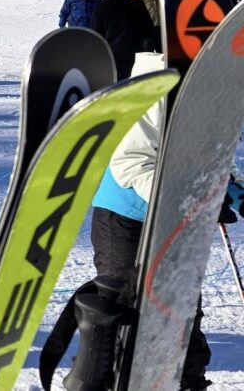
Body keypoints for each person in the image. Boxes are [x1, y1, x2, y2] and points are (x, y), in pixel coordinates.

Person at [89, 51, 236, 391]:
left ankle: (187, 381)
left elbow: (205, 151)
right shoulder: (156, 84)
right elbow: (131, 164)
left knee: (182, 311)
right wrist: (196, 197)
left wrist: (231, 187)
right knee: (127, 314)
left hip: (179, 218)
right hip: (127, 218)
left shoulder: (216, 85)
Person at [91, 0, 155, 79]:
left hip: (111, 52)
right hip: (136, 51)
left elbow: (96, 32)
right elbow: (148, 28)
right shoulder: (137, 4)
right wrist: (148, 47)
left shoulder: (101, 6)